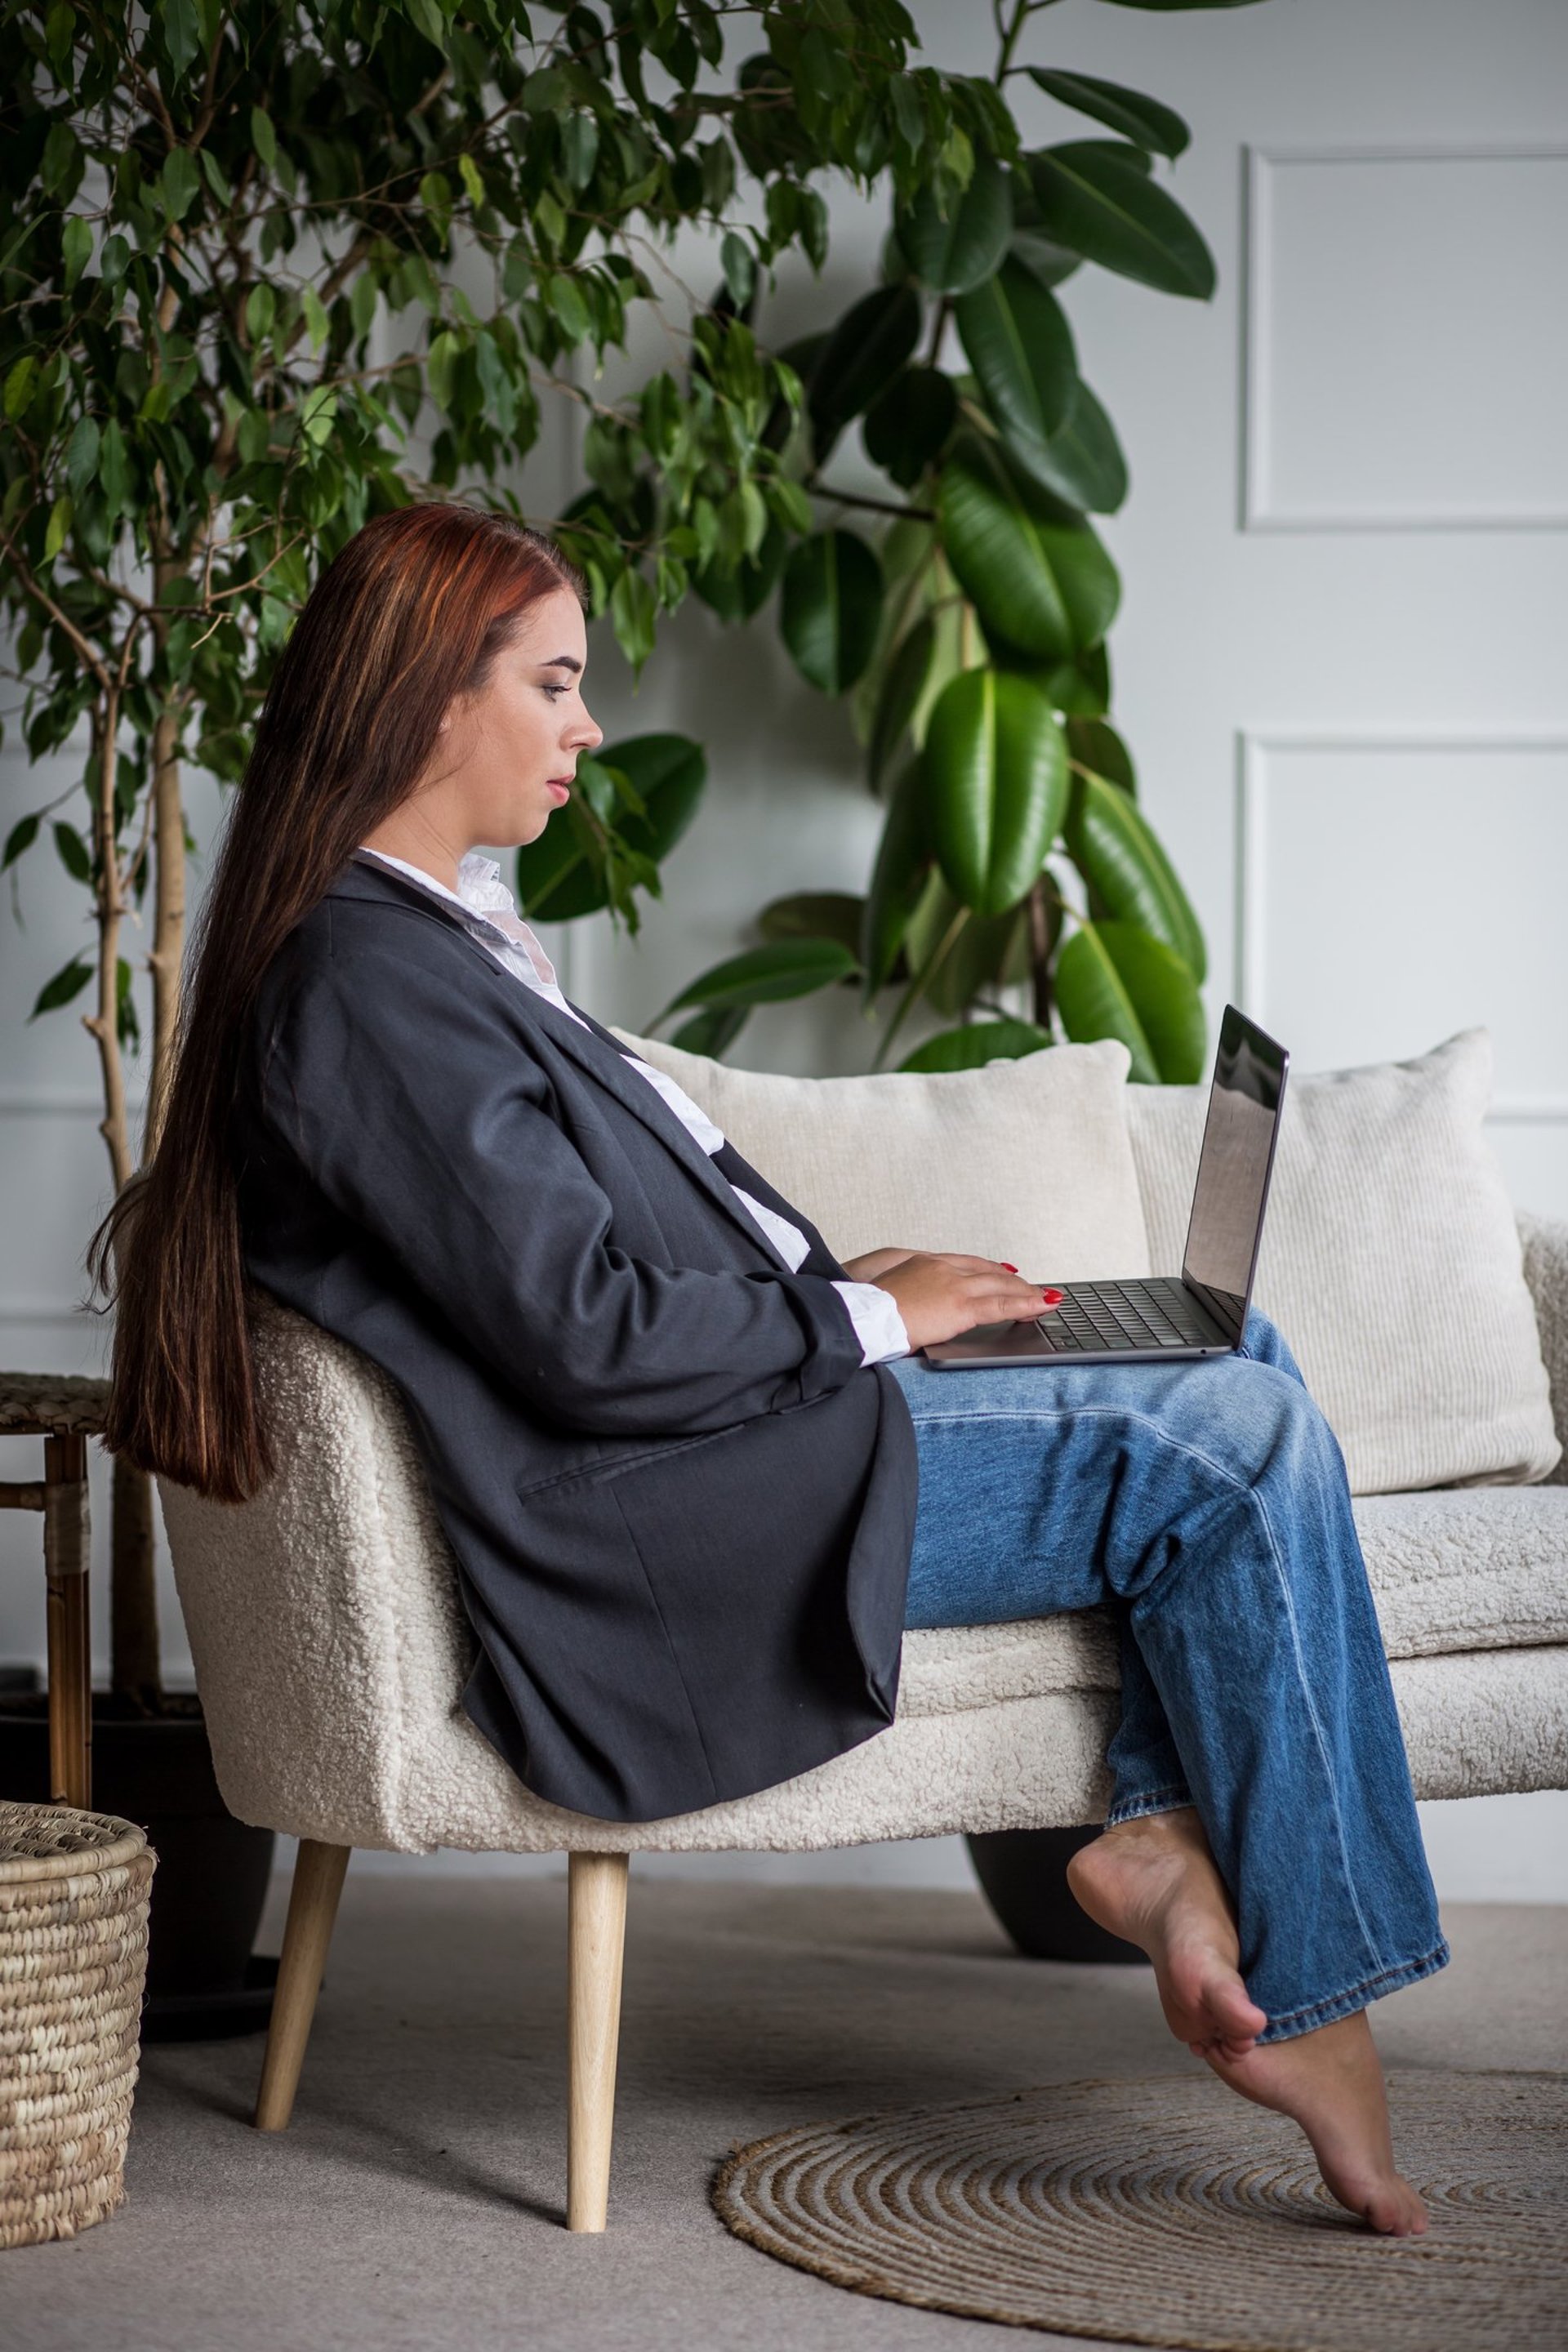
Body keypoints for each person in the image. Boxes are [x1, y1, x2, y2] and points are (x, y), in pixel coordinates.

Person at [100, 503, 1446, 2238]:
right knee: (1235, 1438)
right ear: (435, 701)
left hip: (738, 1428)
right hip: (681, 1517)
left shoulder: (426, 940)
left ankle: (1154, 1836)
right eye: (558, 684)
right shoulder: (365, 985)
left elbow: (573, 1266)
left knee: (1225, 1347)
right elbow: (581, 1335)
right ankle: (1319, 2001)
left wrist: (839, 1279)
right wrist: (864, 1325)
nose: (590, 728)